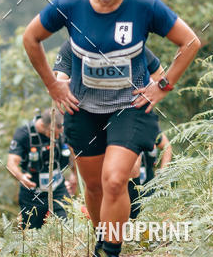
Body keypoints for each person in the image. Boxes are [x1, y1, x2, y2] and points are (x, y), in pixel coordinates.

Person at [23, 0, 200, 257]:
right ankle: (101, 241)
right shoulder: (69, 3)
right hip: (83, 108)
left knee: (116, 180)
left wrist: (161, 87)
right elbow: (31, 38)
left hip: (129, 107)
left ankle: (109, 256)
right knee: (94, 187)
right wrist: (52, 85)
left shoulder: (144, 6)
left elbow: (189, 42)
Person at [54, 38, 171, 219]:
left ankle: (127, 227)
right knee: (95, 183)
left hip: (124, 113)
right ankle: (101, 234)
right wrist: (65, 89)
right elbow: (59, 79)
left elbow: (160, 76)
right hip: (87, 117)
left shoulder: (129, 42)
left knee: (128, 172)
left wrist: (153, 90)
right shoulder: (72, 45)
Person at [7, 108, 76, 228]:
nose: (56, 136)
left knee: (66, 226)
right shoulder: (24, 133)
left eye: (59, 133)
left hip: (57, 188)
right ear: (43, 125)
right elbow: (11, 163)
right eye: (53, 132)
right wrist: (21, 177)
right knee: (31, 232)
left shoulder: (61, 132)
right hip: (33, 192)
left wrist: (74, 174)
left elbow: (72, 152)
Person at [128, 130, 172, 219]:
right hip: (126, 189)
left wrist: (162, 172)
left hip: (149, 186)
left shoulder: (149, 128)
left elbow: (167, 147)